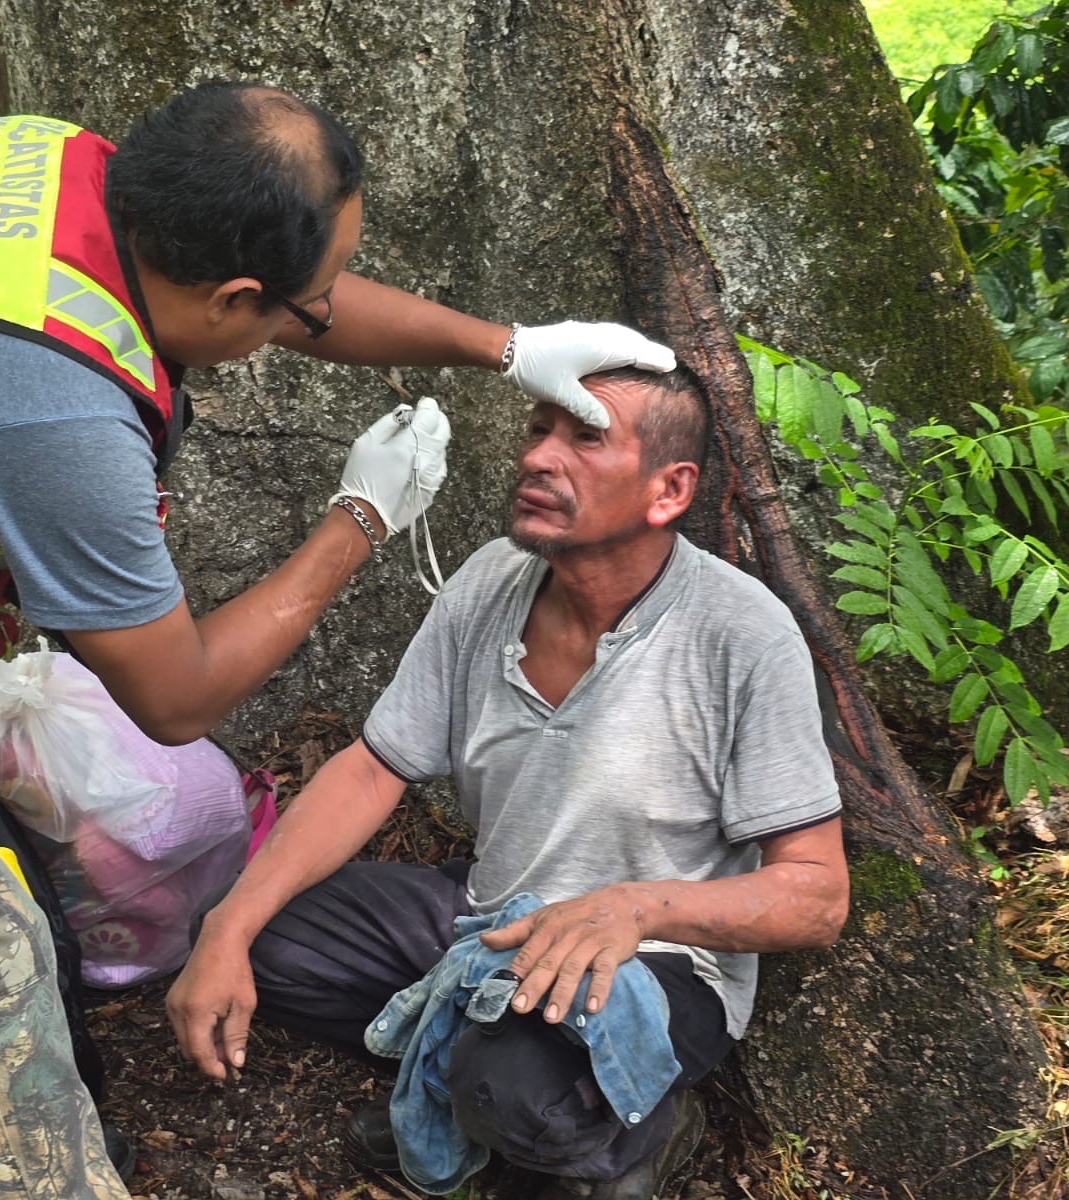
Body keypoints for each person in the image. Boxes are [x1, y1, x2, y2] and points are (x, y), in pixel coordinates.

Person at [0, 82, 675, 1199]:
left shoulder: (63, 167)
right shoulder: (50, 415)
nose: (330, 310)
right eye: (313, 297)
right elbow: (175, 698)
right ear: (236, 298)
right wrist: (359, 521)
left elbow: (291, 300)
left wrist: (508, 347)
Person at [167, 366, 851, 1198]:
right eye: (538, 430)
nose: (537, 457)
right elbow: (375, 768)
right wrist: (231, 927)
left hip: (655, 959)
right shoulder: (490, 578)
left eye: (585, 438)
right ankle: (463, 1079)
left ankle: (630, 1131)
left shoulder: (743, 635)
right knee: (256, 936)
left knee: (514, 1093)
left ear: (668, 491)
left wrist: (633, 907)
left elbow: (817, 898)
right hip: (488, 920)